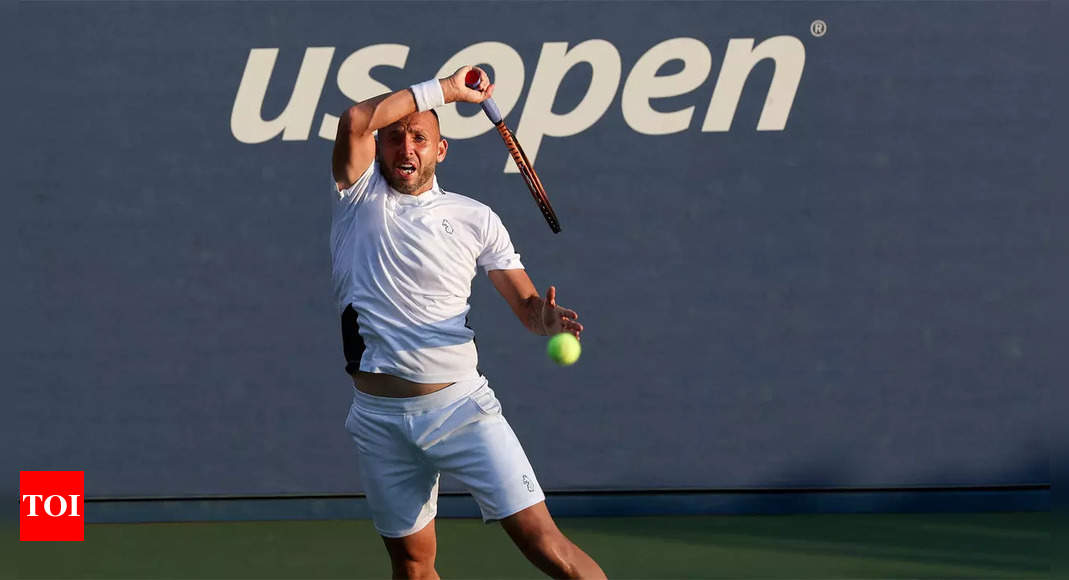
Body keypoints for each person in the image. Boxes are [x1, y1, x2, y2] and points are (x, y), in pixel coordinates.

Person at [331, 65, 606, 579]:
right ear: (378, 148)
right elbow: (353, 120)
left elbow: (526, 305)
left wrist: (543, 321)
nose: (405, 148)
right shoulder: (357, 198)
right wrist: (448, 91)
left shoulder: (476, 218)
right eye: (393, 138)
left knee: (547, 546)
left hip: (459, 409)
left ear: (441, 150)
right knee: (413, 566)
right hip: (378, 420)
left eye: (419, 137)